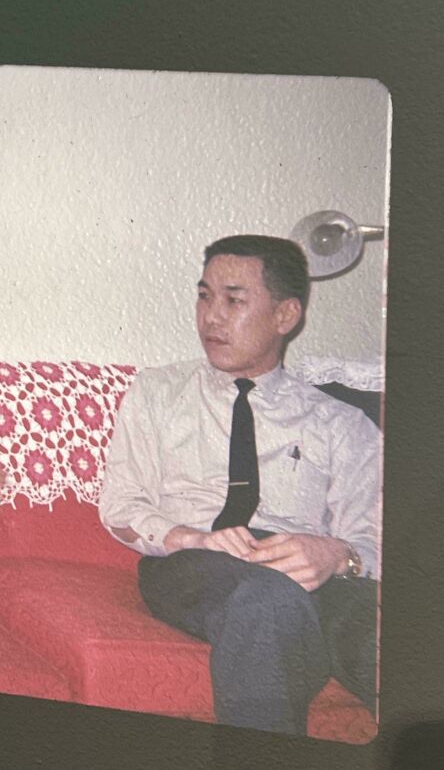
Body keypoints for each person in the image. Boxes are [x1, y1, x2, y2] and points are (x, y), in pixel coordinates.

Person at [98, 235, 381, 736]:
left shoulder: (340, 423)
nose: (211, 317)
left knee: (388, 633)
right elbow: (121, 504)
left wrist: (338, 555)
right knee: (267, 601)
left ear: (285, 315)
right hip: (196, 564)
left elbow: (373, 539)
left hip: (310, 577)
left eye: (233, 300)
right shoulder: (158, 392)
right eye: (204, 296)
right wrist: (193, 537)